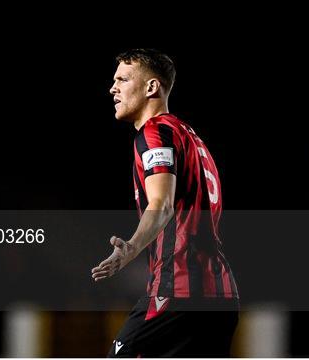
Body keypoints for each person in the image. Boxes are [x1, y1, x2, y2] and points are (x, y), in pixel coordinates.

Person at [91, 48, 239, 357]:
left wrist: (131, 248)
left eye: (123, 79)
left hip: (179, 291)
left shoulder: (155, 131)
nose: (112, 88)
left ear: (151, 87)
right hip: (221, 295)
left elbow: (162, 203)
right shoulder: (192, 138)